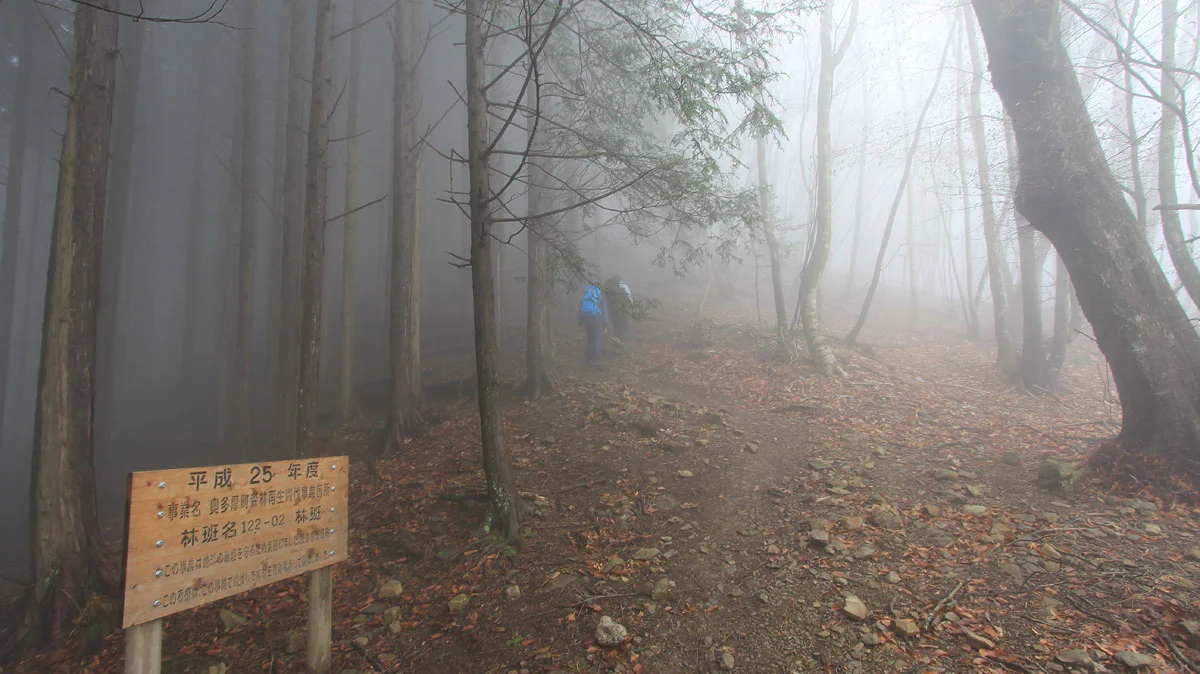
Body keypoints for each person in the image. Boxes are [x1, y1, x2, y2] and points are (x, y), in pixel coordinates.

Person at [578, 282, 608, 364]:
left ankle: (588, 357)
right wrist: (605, 324)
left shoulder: (586, 294)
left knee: (590, 337)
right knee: (597, 338)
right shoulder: (600, 296)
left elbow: (580, 308)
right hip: (596, 318)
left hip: (587, 318)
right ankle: (596, 359)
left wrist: (580, 322)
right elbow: (604, 310)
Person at [604, 275, 634, 342]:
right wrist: (631, 306)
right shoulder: (624, 286)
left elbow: (607, 301)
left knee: (616, 326)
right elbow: (629, 297)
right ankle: (618, 339)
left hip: (613, 310)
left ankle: (616, 338)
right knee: (626, 326)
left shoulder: (610, 288)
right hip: (622, 310)